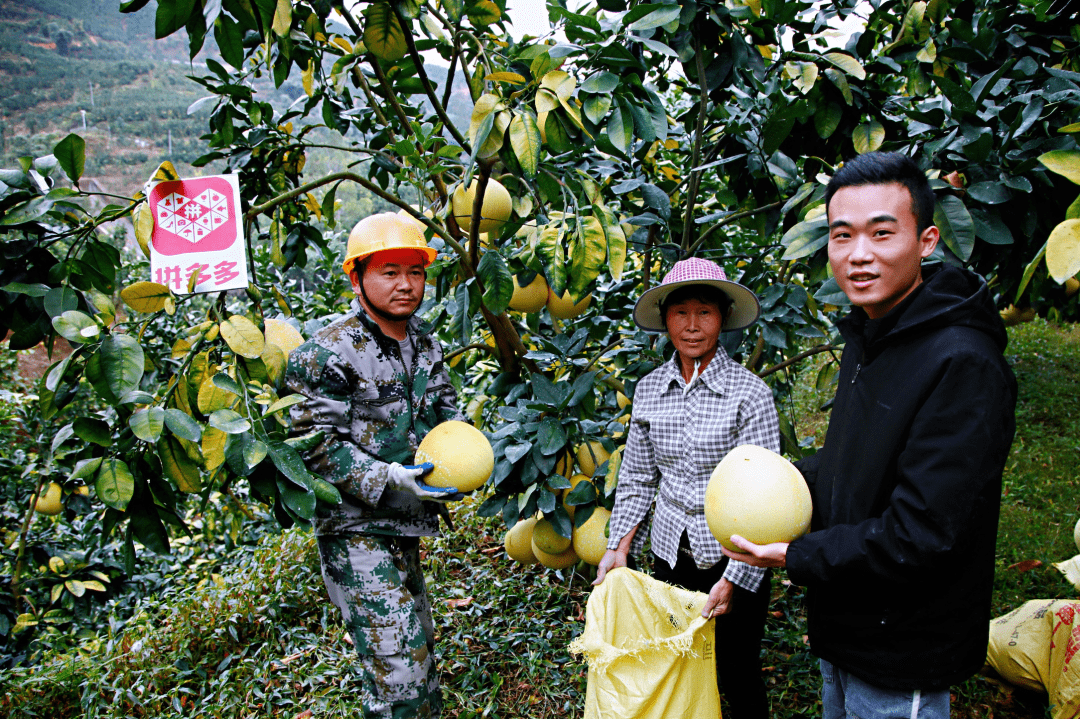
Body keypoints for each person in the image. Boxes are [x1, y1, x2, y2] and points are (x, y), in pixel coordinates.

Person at [723, 152, 1018, 719]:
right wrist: (773, 478)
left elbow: (923, 534)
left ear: (927, 240)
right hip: (848, 622)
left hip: (902, 644)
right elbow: (857, 461)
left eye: (882, 233)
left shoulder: (963, 365)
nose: (859, 255)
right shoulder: (873, 333)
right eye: (842, 236)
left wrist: (797, 555)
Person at [286, 212, 465, 719]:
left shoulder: (425, 343)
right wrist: (388, 477)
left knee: (420, 657)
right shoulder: (325, 353)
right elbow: (314, 445)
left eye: (416, 272)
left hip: (406, 524)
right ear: (357, 275)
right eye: (390, 272)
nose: (406, 285)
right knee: (400, 675)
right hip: (355, 530)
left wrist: (465, 455)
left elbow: (447, 416)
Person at [593, 257, 781, 719]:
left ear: (722, 319)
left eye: (705, 313)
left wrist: (735, 579)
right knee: (682, 657)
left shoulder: (749, 393)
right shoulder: (650, 389)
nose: (692, 326)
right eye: (681, 313)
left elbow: (765, 500)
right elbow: (638, 475)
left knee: (736, 666)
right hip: (671, 548)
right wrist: (619, 546)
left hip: (734, 552)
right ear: (665, 320)